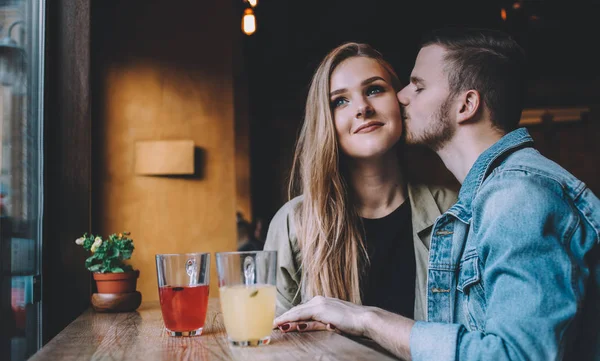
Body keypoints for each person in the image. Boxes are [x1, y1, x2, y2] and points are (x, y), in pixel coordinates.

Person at [274, 27, 600, 361]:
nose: (401, 97)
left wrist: (366, 319)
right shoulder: (488, 201)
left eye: (417, 87)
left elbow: (514, 354)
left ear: (466, 105)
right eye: (339, 100)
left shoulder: (515, 197)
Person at [263, 42, 457, 321]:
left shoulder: (453, 212)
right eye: (340, 101)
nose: (362, 108)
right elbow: (276, 342)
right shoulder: (295, 224)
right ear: (325, 122)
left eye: (375, 90)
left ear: (400, 102)